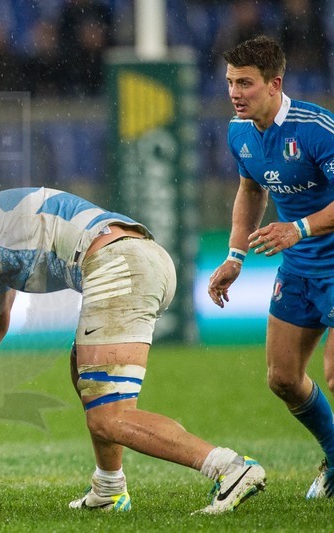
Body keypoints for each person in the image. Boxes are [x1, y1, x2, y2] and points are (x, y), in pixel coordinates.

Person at [0, 186, 267, 514]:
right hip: (130, 258)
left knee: (109, 416)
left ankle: (230, 467)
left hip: (119, 265)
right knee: (84, 374)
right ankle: (109, 488)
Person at [208, 35, 334, 500]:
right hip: (298, 269)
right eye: (229, 83)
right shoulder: (238, 132)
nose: (235, 93)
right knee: (282, 378)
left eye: (245, 83)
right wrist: (235, 255)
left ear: (274, 83)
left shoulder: (318, 128)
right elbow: (251, 189)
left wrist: (298, 229)